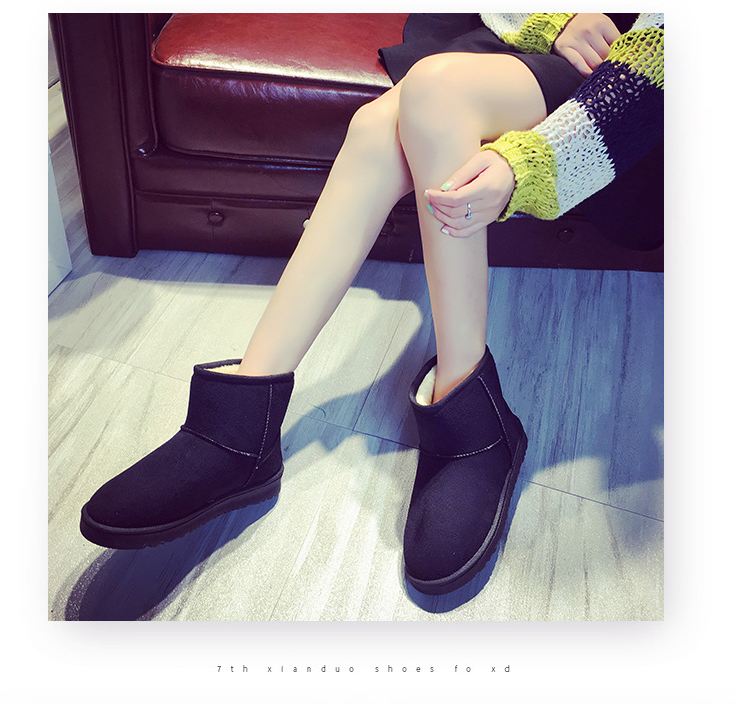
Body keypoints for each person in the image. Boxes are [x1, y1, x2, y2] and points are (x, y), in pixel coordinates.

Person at [78, 13, 664, 596]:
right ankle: (243, 416)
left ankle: (468, 409)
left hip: (639, 76)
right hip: (530, 34)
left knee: (436, 91)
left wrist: (525, 167)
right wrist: (554, 19)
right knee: (376, 127)